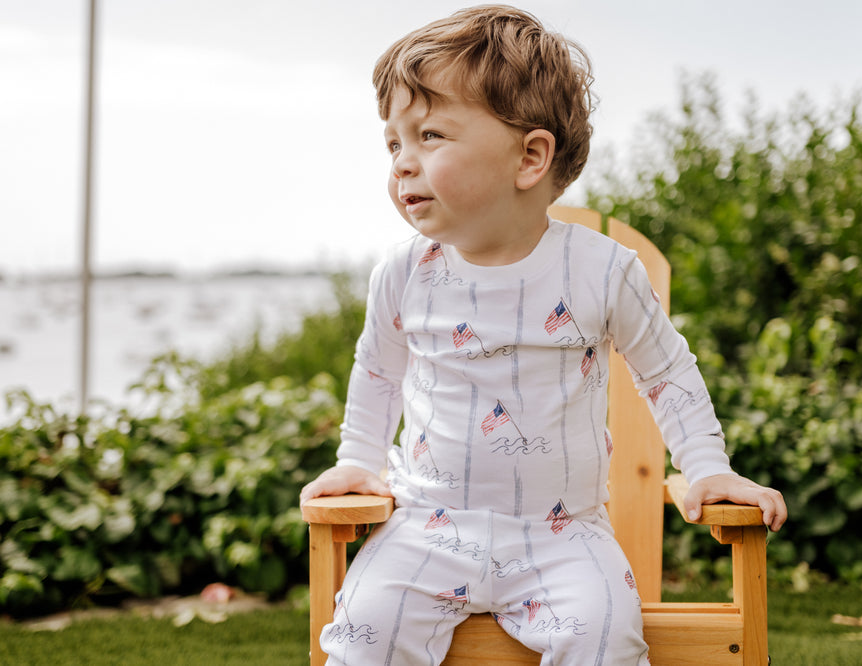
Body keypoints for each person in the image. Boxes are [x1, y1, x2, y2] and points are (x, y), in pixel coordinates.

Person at [300, 5, 787, 664]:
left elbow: (666, 371)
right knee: (364, 631)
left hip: (564, 538)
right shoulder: (404, 274)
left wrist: (706, 469)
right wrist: (360, 460)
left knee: (606, 637)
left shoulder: (601, 271)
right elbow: (379, 372)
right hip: (426, 530)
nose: (402, 164)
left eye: (430, 135)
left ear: (530, 157)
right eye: (394, 143)